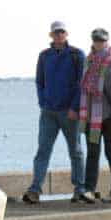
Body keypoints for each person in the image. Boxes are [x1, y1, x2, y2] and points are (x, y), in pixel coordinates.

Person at [23, 21, 86, 204]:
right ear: (51, 35)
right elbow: (39, 82)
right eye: (55, 33)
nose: (59, 35)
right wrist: (43, 101)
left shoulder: (77, 55)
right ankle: (35, 189)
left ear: (67, 34)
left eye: (62, 32)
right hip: (48, 112)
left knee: (75, 151)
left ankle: (79, 189)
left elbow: (81, 83)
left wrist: (75, 107)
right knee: (42, 151)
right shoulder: (44, 56)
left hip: (69, 113)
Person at [78, 28, 111, 204]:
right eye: (96, 40)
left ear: (107, 41)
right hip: (91, 118)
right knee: (92, 153)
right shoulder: (88, 61)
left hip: (110, 117)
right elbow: (84, 89)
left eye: (102, 40)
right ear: (92, 41)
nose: (99, 43)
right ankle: (89, 190)